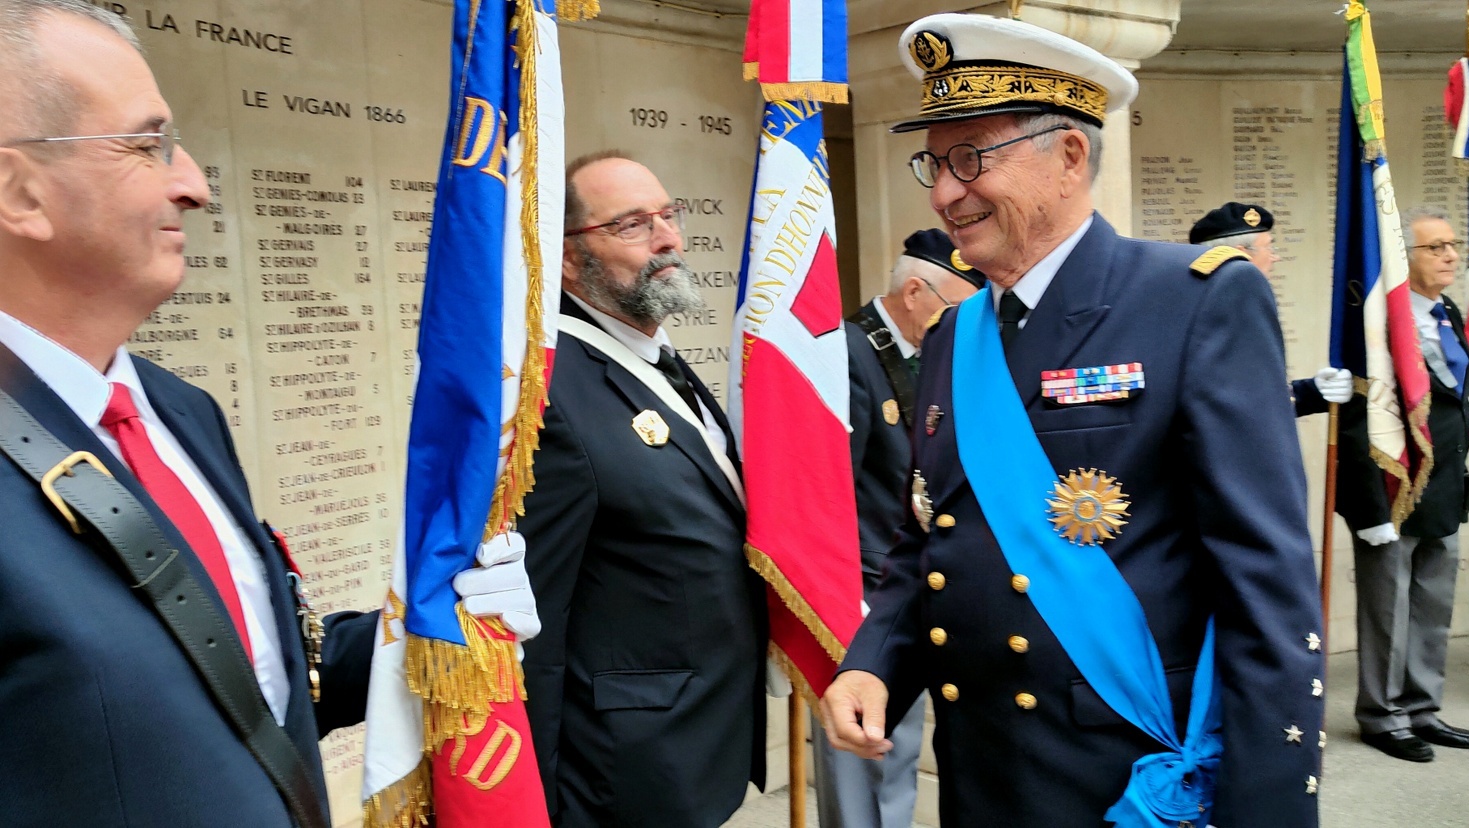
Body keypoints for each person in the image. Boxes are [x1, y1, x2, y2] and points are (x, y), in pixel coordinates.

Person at [0, 2, 538, 826]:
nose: (194, 185)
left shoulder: (178, 411)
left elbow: (254, 689)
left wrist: (434, 626)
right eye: (146, 146)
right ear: (19, 193)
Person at [821, 14, 1324, 828]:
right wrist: (873, 663)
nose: (945, 193)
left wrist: (1268, 807)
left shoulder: (1195, 300)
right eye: (935, 164)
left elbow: (1264, 578)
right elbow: (928, 537)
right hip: (982, 770)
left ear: (1068, 157)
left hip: (1124, 773)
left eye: (972, 158)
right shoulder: (953, 335)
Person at [516, 150, 767, 827]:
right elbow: (533, 621)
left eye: (667, 216)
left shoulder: (653, 357)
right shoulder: (554, 392)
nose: (666, 239)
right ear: (568, 259)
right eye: (630, 225)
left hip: (695, 745)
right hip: (621, 777)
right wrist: (534, 802)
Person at [814, 228, 984, 828]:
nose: (961, 323)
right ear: (914, 292)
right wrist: (852, 598)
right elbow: (829, 491)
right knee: (868, 758)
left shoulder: (927, 352)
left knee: (900, 753)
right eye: (952, 307)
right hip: (866, 590)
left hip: (916, 582)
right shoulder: (847, 352)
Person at [1334, 207, 1469, 760]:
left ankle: (1422, 708)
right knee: (1388, 610)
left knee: (1432, 607)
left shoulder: (1448, 312)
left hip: (1445, 486)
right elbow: (1358, 421)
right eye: (1435, 247)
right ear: (1403, 257)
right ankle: (1382, 715)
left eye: (1453, 245)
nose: (1451, 256)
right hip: (1392, 491)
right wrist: (1368, 508)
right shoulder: (1375, 325)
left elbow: (1457, 400)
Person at [1188, 201, 1353, 416]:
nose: (1276, 257)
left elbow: (1252, 395)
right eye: (1269, 247)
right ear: (1242, 254)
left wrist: (1312, 392)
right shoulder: (1214, 314)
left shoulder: (1223, 305)